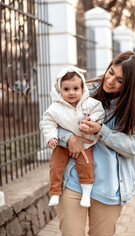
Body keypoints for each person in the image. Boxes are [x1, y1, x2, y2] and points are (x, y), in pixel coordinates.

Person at [54, 51, 135, 236]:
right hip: (74, 180)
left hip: (109, 188)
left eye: (120, 80)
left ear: (131, 84)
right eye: (111, 72)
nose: (111, 81)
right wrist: (68, 138)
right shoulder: (85, 89)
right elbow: (52, 119)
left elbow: (133, 146)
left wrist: (101, 130)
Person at [41, 66, 105, 207]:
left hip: (85, 142)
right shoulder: (55, 108)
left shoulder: (90, 104)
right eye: (66, 89)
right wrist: (51, 137)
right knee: (56, 166)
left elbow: (99, 112)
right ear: (59, 90)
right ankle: (55, 192)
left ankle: (86, 193)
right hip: (61, 145)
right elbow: (47, 123)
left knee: (86, 165)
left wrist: (90, 121)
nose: (71, 93)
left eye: (76, 89)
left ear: (82, 89)